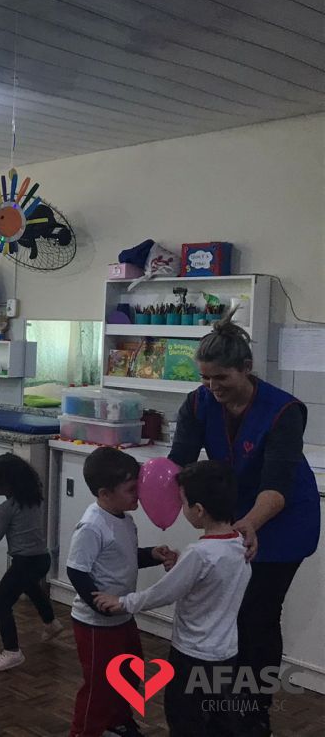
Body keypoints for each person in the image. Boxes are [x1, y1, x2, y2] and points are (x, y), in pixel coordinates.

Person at [168, 313, 320, 736]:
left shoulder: (284, 410)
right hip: (236, 518)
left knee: (258, 615)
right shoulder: (198, 403)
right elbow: (179, 463)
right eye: (205, 378)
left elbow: (277, 486)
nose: (212, 387)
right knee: (229, 613)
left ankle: (255, 713)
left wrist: (246, 526)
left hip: (284, 519)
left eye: (221, 378)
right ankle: (223, 708)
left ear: (246, 368)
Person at [95, 461, 251, 737]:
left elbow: (163, 593)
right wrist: (184, 569)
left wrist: (123, 602)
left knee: (184, 720)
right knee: (220, 720)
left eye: (183, 503)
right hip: (226, 654)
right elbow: (213, 582)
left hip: (192, 655)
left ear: (199, 510)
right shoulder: (240, 544)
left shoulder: (200, 553)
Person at [65, 447, 178, 737]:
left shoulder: (124, 520)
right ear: (105, 493)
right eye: (131, 489)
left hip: (122, 615)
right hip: (95, 624)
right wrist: (99, 605)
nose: (139, 494)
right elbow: (76, 570)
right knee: (99, 684)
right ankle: (83, 731)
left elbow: (125, 558)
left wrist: (152, 554)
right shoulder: (91, 526)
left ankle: (116, 721)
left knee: (129, 671)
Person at [0, 452, 62, 672]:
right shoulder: (34, 500)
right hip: (42, 559)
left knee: (0, 604)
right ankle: (51, 622)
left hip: (24, 562)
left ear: (7, 482)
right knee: (31, 586)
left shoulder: (7, 508)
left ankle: (12, 652)